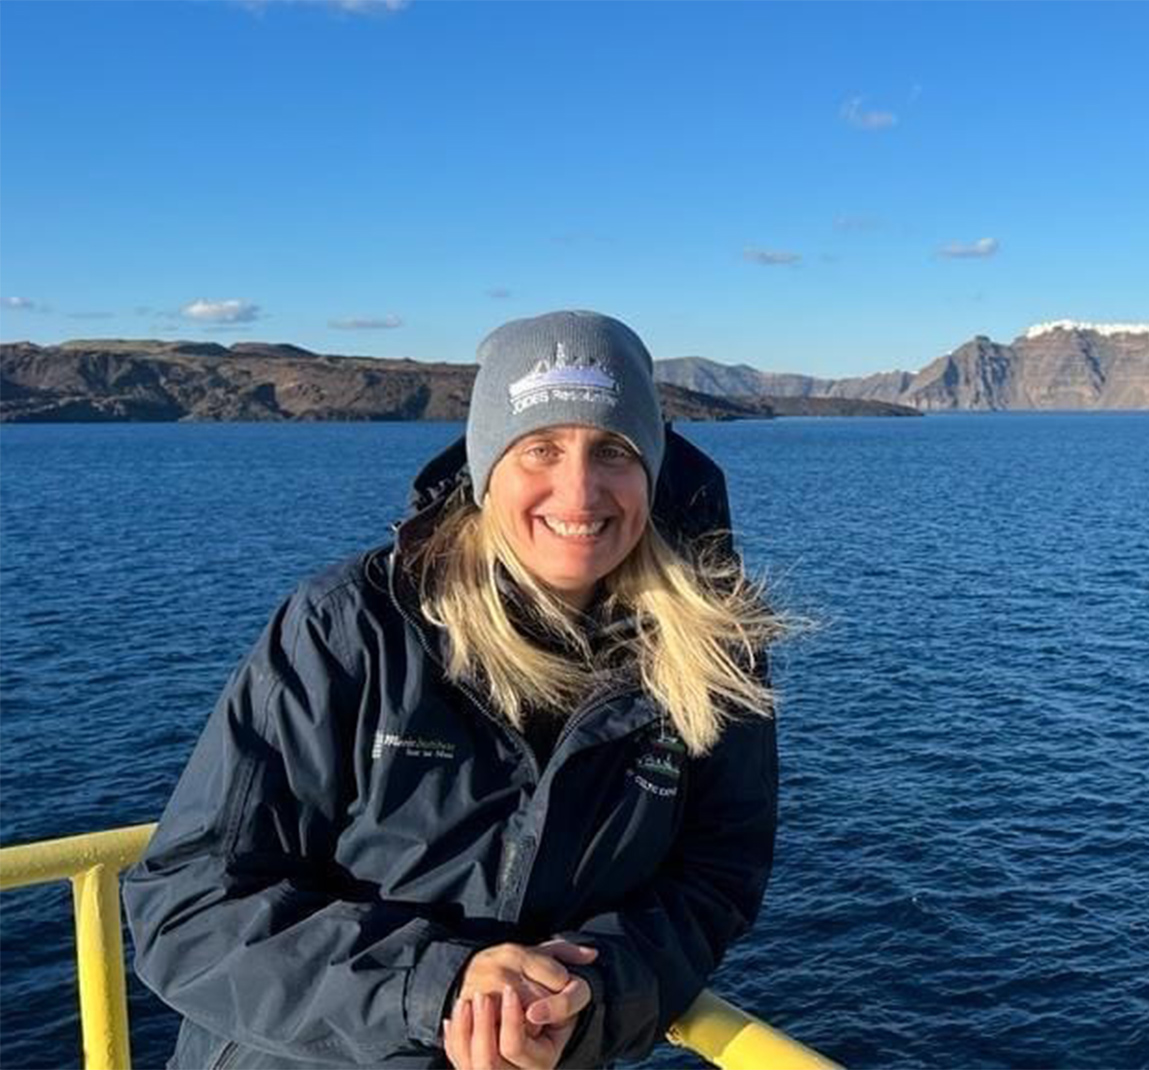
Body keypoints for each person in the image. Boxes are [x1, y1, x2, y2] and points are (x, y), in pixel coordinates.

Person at [123, 310, 789, 1070]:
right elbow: (188, 907)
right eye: (539, 448)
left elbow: (715, 878)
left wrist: (594, 991)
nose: (579, 492)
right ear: (485, 468)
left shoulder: (711, 649)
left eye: (613, 450)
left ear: (652, 471)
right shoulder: (354, 627)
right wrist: (435, 986)